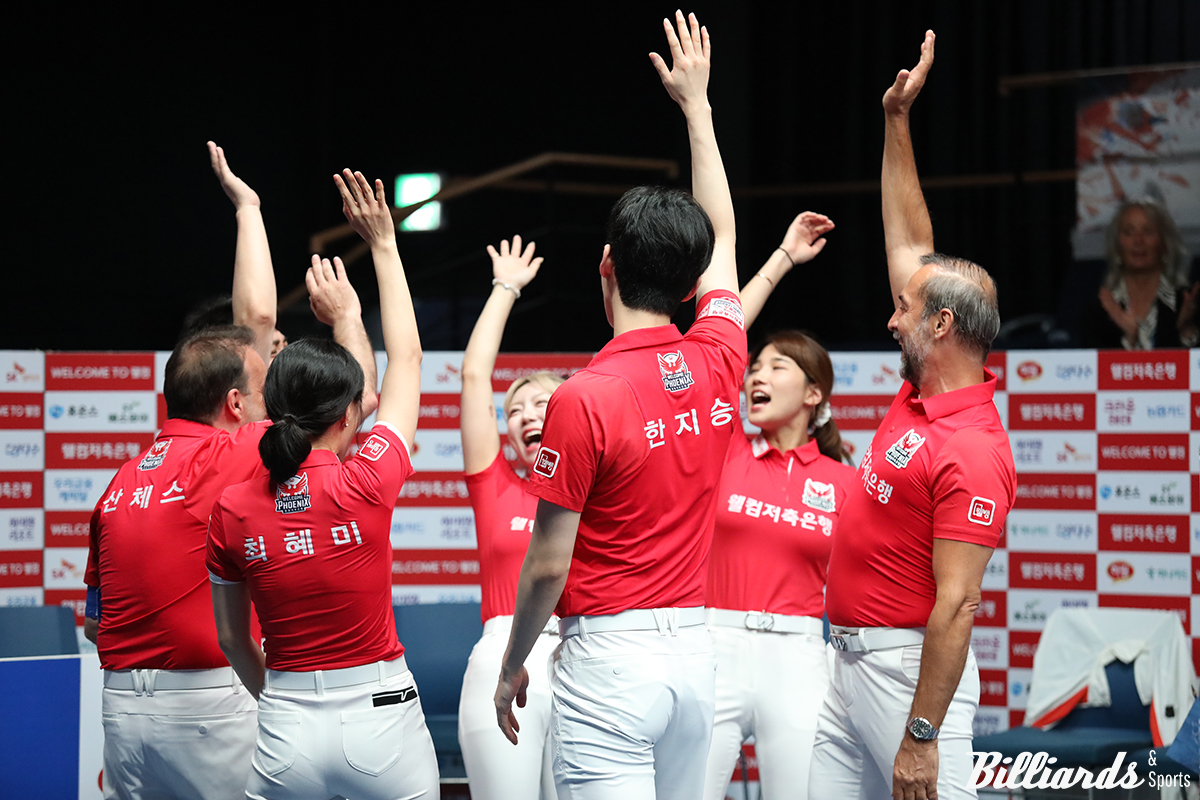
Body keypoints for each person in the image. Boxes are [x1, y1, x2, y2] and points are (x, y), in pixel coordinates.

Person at [493, 13, 745, 799]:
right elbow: (726, 242)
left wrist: (510, 668)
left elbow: (544, 565)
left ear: (605, 265)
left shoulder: (584, 397)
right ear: (690, 280)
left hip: (609, 666)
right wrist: (698, 111)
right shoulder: (720, 354)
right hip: (695, 663)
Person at [83, 144, 377, 800]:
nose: (272, 373)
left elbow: (95, 624)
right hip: (207, 706)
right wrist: (250, 211)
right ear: (235, 403)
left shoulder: (121, 480)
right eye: (261, 374)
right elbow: (264, 329)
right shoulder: (226, 455)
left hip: (122, 715)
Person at [808, 31, 1017, 800]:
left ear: (940, 327)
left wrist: (922, 738)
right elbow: (910, 239)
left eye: (905, 309)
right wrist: (897, 120)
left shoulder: (974, 448)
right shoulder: (919, 393)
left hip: (908, 678)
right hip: (846, 665)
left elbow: (958, 604)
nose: (890, 318)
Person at [207, 168, 438, 800]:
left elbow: (233, 637)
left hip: (284, 728)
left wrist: (282, 701)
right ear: (348, 415)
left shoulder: (233, 506)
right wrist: (384, 246)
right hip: (381, 715)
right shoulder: (369, 477)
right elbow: (409, 360)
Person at [701, 214, 856, 800]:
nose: (755, 376)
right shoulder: (728, 449)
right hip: (713, 645)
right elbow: (723, 334)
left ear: (814, 393)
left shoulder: (847, 484)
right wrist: (783, 258)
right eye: (754, 367)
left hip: (798, 655)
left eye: (777, 366)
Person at [458, 235, 562, 800]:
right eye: (514, 410)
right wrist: (505, 289)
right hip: (501, 658)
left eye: (541, 403)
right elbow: (475, 378)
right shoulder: (496, 487)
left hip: (583, 659)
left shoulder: (597, 497)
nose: (525, 415)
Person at [1078, 198, 1197, 349]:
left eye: (1147, 232)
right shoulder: (1098, 311)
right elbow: (1093, 368)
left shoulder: (1187, 305)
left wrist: (1187, 332)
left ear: (1164, 243)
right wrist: (1129, 339)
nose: (1138, 241)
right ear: (1118, 245)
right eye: (1128, 232)